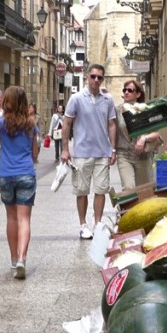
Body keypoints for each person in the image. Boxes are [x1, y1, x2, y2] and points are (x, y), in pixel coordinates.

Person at [60, 63, 117, 239]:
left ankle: (98, 224)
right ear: (87, 77)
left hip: (102, 153)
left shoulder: (108, 100)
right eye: (93, 76)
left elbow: (112, 124)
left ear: (102, 79)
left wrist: (113, 149)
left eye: (99, 77)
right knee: (82, 191)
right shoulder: (76, 98)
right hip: (82, 153)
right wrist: (64, 149)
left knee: (101, 190)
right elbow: (67, 123)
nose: (96, 80)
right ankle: (83, 224)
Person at [0, 86, 40, 279]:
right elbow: (35, 154)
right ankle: (22, 258)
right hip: (26, 173)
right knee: (24, 219)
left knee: (11, 218)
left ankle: (13, 260)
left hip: (5, 174)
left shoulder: (0, 124)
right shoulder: (31, 125)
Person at [115, 80, 163, 190]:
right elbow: (110, 128)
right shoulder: (117, 111)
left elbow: (156, 133)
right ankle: (128, 207)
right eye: (124, 90)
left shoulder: (146, 110)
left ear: (138, 94)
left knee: (144, 190)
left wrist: (144, 138)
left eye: (130, 90)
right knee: (128, 189)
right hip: (124, 154)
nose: (126, 92)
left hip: (143, 156)